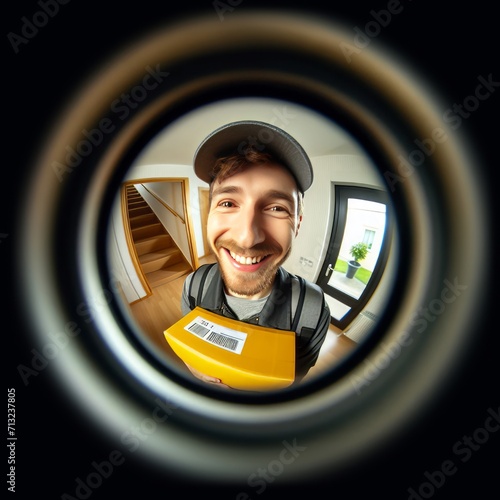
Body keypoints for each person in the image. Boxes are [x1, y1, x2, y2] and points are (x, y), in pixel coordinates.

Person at [180, 120, 330, 389]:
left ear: (297, 223)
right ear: (209, 213)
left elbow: (294, 382)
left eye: (276, 208)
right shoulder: (193, 286)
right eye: (227, 203)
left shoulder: (313, 311)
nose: (247, 238)